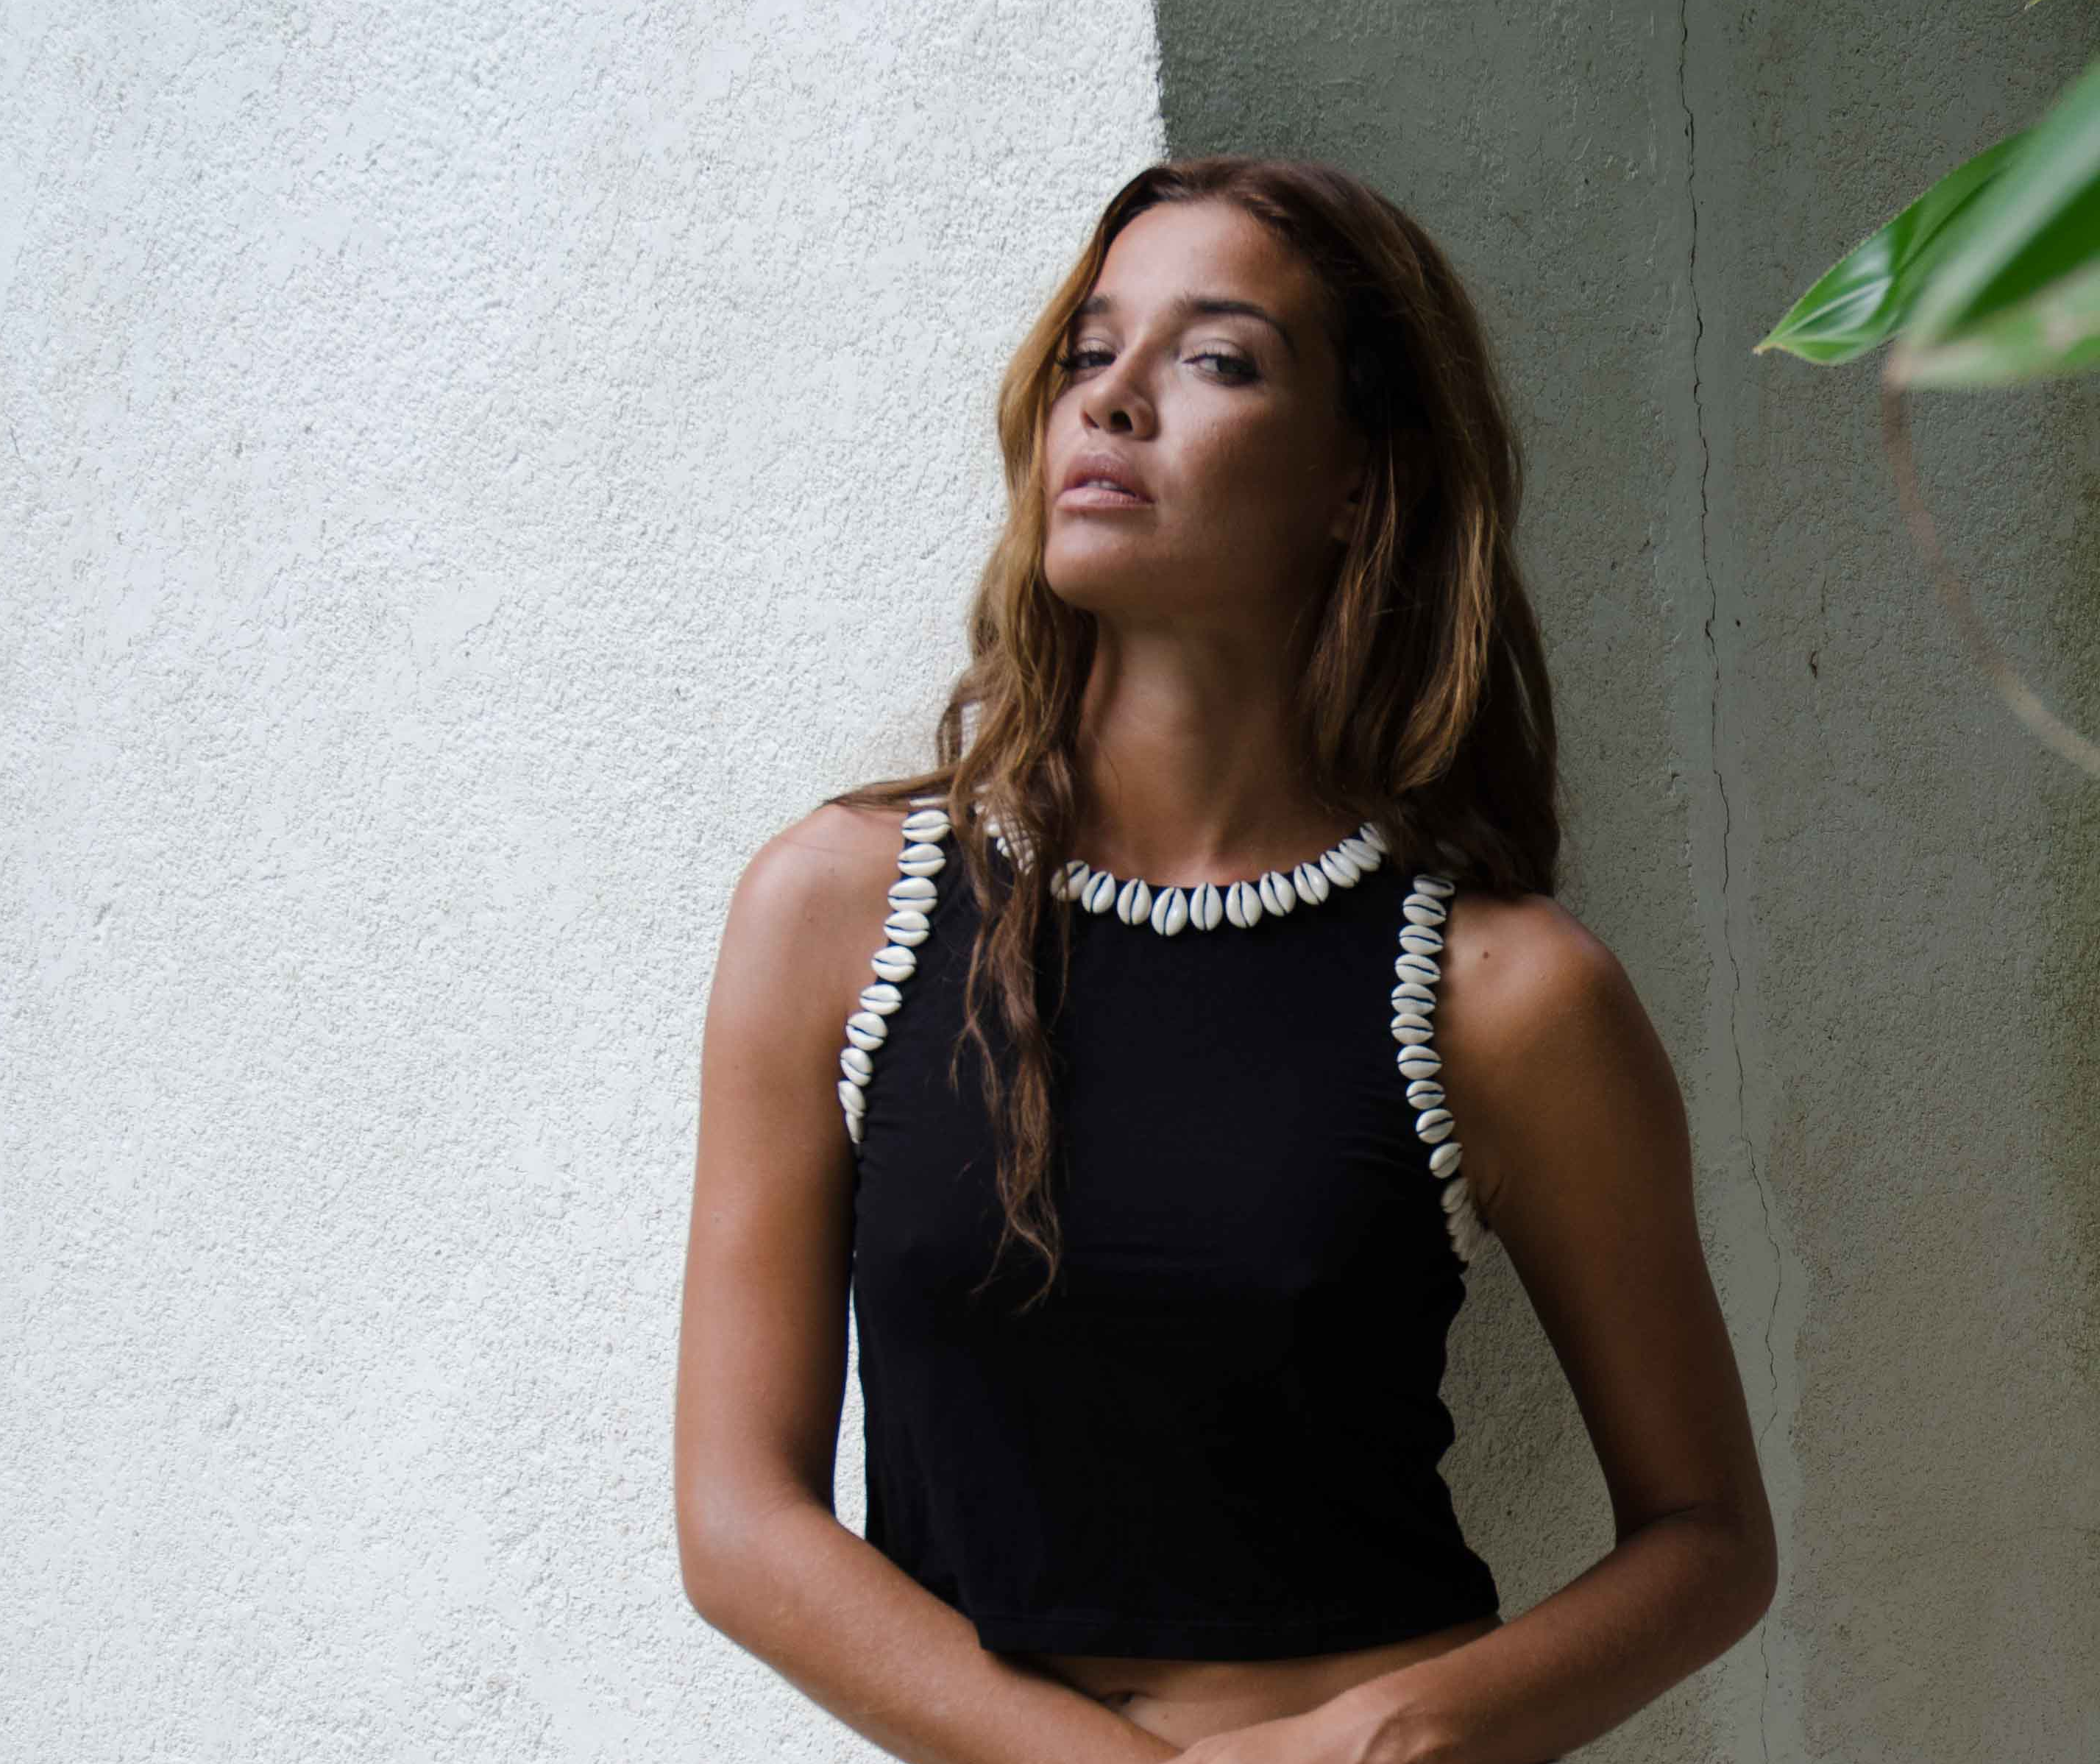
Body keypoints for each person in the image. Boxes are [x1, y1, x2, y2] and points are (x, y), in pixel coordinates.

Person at [673, 154, 1776, 1764]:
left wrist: (1391, 1738)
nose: (1111, 400)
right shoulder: (837, 906)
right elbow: (737, 1520)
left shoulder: (1500, 992)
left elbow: (1705, 1540)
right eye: (1088, 350)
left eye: (1214, 359)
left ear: (1355, 480)